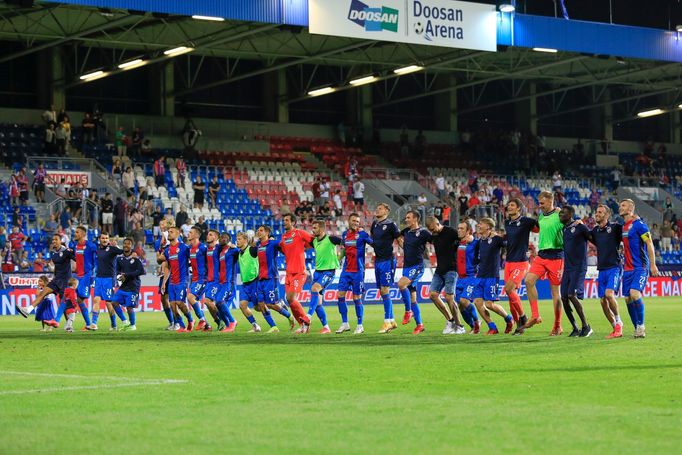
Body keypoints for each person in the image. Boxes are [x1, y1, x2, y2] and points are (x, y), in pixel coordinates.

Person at [523, 191, 564, 336]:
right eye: (539, 203)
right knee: (528, 281)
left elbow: (571, 228)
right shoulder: (541, 216)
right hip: (542, 255)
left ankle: (557, 326)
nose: (540, 206)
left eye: (542, 203)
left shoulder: (560, 215)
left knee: (555, 293)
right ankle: (535, 315)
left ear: (550, 201)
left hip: (556, 256)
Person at [619, 199, 659, 338]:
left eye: (623, 205)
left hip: (640, 266)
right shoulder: (624, 227)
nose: (620, 207)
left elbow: (649, 243)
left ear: (630, 209)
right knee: (627, 299)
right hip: (627, 269)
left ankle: (641, 326)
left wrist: (653, 264)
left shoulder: (640, 225)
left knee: (635, 293)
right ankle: (636, 327)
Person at [16, 235, 73, 324]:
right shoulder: (54, 254)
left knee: (63, 303)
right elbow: (56, 268)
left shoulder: (67, 251)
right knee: (43, 293)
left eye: (56, 239)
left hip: (65, 281)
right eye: (53, 239)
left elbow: (78, 259)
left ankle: (69, 325)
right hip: (56, 280)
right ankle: (28, 310)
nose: (53, 241)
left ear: (60, 241)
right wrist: (54, 276)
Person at [503, 198, 539, 334]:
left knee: (508, 289)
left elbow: (539, 228)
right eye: (508, 205)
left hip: (521, 262)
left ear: (518, 208)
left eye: (512, 205)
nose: (509, 206)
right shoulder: (507, 222)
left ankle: (523, 317)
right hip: (508, 263)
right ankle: (519, 326)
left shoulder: (526, 221)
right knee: (511, 297)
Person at [425, 216, 465, 335]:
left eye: (433, 229)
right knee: (432, 295)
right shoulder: (434, 235)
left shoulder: (451, 232)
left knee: (449, 298)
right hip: (440, 270)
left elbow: (463, 240)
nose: (433, 232)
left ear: (437, 223)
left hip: (452, 269)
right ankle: (450, 320)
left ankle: (459, 326)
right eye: (430, 230)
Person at [473, 218, 514, 335]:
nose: (479, 225)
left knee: (489, 304)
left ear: (488, 226)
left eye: (481, 224)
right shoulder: (480, 241)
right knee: (477, 302)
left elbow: (509, 245)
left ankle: (508, 318)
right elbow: (476, 257)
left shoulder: (496, 239)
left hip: (492, 276)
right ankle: (492, 327)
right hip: (480, 276)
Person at [335, 212, 372, 334]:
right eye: (353, 221)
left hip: (358, 271)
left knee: (356, 298)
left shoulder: (362, 234)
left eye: (357, 221)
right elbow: (345, 250)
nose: (355, 223)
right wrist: (338, 260)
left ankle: (360, 325)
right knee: (340, 295)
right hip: (346, 270)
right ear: (349, 221)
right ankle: (345, 323)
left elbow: (374, 243)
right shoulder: (345, 234)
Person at [590, 204, 624, 338]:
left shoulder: (615, 228)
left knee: (609, 295)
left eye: (600, 212)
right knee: (603, 301)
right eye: (596, 212)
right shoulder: (595, 231)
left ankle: (619, 321)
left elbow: (627, 236)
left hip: (614, 267)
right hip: (602, 269)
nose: (597, 214)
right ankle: (615, 327)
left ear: (607, 215)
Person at [304, 220, 342, 334]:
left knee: (315, 288)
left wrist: (339, 258)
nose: (313, 230)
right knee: (318, 302)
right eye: (312, 227)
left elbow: (347, 244)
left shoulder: (331, 239)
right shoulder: (315, 241)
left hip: (329, 271)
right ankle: (326, 327)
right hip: (317, 272)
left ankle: (308, 317)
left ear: (321, 229)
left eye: (315, 228)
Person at [559, 205, 592, 337]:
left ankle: (586, 326)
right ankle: (575, 328)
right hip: (567, 268)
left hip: (578, 267)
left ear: (570, 215)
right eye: (560, 213)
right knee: (564, 298)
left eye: (563, 213)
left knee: (571, 295)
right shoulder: (564, 229)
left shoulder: (580, 227)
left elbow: (593, 238)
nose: (560, 215)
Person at [396, 210, 431, 334]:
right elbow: (398, 237)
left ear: (415, 219)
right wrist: (402, 244)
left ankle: (408, 311)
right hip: (407, 267)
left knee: (401, 284)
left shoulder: (423, 232)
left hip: (417, 266)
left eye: (408, 217)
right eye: (406, 217)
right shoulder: (406, 232)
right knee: (413, 297)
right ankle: (420, 325)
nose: (406, 220)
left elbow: (434, 241)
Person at [255, 225, 294, 332]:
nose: (259, 232)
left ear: (267, 233)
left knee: (271, 304)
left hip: (271, 277)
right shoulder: (258, 245)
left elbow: (285, 245)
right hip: (260, 279)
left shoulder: (273, 243)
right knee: (261, 304)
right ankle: (274, 326)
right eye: (258, 230)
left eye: (261, 230)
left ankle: (289, 316)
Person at [279, 214, 313, 330]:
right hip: (288, 272)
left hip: (299, 271)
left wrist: (303, 248)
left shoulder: (299, 233)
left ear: (293, 222)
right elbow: (283, 249)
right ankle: (301, 325)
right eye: (284, 220)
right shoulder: (283, 237)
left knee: (291, 298)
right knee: (289, 300)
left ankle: (306, 322)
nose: (284, 222)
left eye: (287, 220)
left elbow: (313, 241)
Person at [370, 203, 400, 333]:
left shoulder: (391, 225)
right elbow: (373, 240)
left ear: (387, 211)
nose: (377, 209)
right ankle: (392, 320)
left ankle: (387, 322)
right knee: (382, 292)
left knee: (385, 290)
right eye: (377, 207)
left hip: (388, 260)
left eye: (380, 208)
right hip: (378, 260)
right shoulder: (374, 225)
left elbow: (399, 240)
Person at [236, 231, 271, 333]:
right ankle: (255, 325)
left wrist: (270, 239)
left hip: (254, 282)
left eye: (239, 239)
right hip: (245, 284)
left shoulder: (252, 250)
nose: (237, 241)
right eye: (237, 239)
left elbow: (264, 251)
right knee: (242, 305)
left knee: (259, 306)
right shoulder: (239, 252)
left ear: (245, 240)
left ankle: (276, 306)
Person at [161, 226, 195, 332]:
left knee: (180, 303)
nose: (169, 234)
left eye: (171, 232)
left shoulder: (184, 248)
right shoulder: (167, 251)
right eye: (168, 232)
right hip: (171, 282)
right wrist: (164, 282)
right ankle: (182, 325)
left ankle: (190, 319)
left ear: (177, 234)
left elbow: (193, 259)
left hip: (182, 279)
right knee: (172, 305)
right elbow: (167, 267)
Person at [111, 237, 145, 331]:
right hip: (124, 286)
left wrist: (127, 275)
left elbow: (142, 271)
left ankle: (133, 325)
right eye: (125, 243)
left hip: (133, 286)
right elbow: (117, 270)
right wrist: (118, 276)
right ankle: (125, 321)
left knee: (129, 307)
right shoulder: (120, 258)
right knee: (114, 302)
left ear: (131, 246)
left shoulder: (135, 257)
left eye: (128, 244)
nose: (126, 245)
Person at [92, 232, 124, 331]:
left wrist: (116, 245)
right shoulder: (97, 249)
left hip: (109, 279)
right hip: (98, 278)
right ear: (99, 239)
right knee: (96, 300)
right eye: (103, 238)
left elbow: (122, 252)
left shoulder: (112, 249)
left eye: (106, 238)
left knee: (108, 303)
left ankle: (114, 324)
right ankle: (93, 323)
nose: (105, 240)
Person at [455, 222, 481, 333]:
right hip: (459, 278)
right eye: (458, 228)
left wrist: (474, 239)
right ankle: (472, 327)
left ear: (468, 231)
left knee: (464, 300)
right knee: (460, 306)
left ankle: (477, 321)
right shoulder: (457, 242)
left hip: (471, 277)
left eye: (462, 228)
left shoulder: (475, 243)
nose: (459, 230)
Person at [70, 226, 97, 330]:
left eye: (77, 232)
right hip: (78, 276)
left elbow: (96, 261)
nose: (75, 234)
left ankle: (91, 323)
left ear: (83, 234)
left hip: (87, 275)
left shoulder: (91, 246)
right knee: (79, 300)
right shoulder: (75, 246)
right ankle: (89, 324)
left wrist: (92, 275)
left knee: (80, 299)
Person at [215, 232, 241, 332]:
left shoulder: (232, 250)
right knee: (217, 305)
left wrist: (236, 246)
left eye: (223, 238)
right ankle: (228, 325)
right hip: (221, 283)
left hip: (229, 282)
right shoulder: (221, 252)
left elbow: (241, 252)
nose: (221, 239)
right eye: (220, 237)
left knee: (220, 301)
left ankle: (232, 321)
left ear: (228, 240)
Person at [202, 230, 227, 331]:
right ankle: (219, 322)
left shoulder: (218, 248)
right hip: (209, 280)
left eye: (211, 235)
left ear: (216, 238)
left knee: (208, 301)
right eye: (208, 234)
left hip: (217, 280)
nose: (208, 236)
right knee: (208, 303)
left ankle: (224, 321)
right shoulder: (206, 249)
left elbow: (228, 247)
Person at [186, 226, 210, 330]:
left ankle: (202, 319)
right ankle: (207, 325)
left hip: (203, 278)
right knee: (192, 300)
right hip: (194, 278)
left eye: (191, 232)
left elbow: (211, 262)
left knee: (190, 297)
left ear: (196, 235)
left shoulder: (203, 248)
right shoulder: (189, 249)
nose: (188, 234)